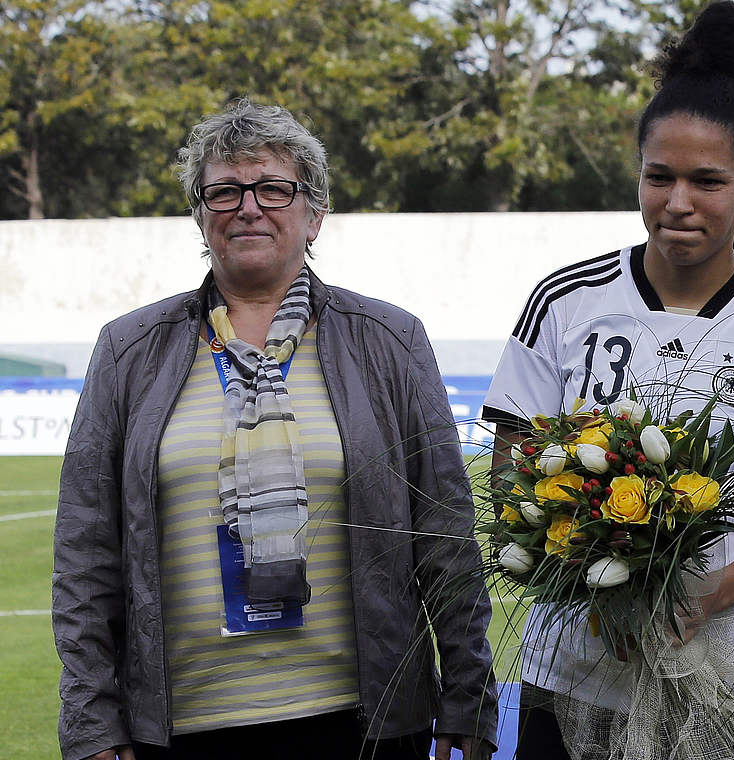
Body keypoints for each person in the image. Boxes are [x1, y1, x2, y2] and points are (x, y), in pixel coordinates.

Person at [52, 100, 496, 760]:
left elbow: (445, 533)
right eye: (224, 191)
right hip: (182, 729)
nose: (248, 207)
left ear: (314, 214)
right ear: (200, 215)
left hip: (364, 723)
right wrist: (91, 718)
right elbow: (86, 554)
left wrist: (468, 692)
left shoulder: (389, 339)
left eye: (273, 189)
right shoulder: (128, 349)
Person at [480, 3, 734, 758]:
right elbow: (512, 462)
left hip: (727, 678)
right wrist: (581, 564)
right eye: (660, 177)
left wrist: (708, 593)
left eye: (707, 180)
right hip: (573, 670)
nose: (678, 202)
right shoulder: (564, 300)